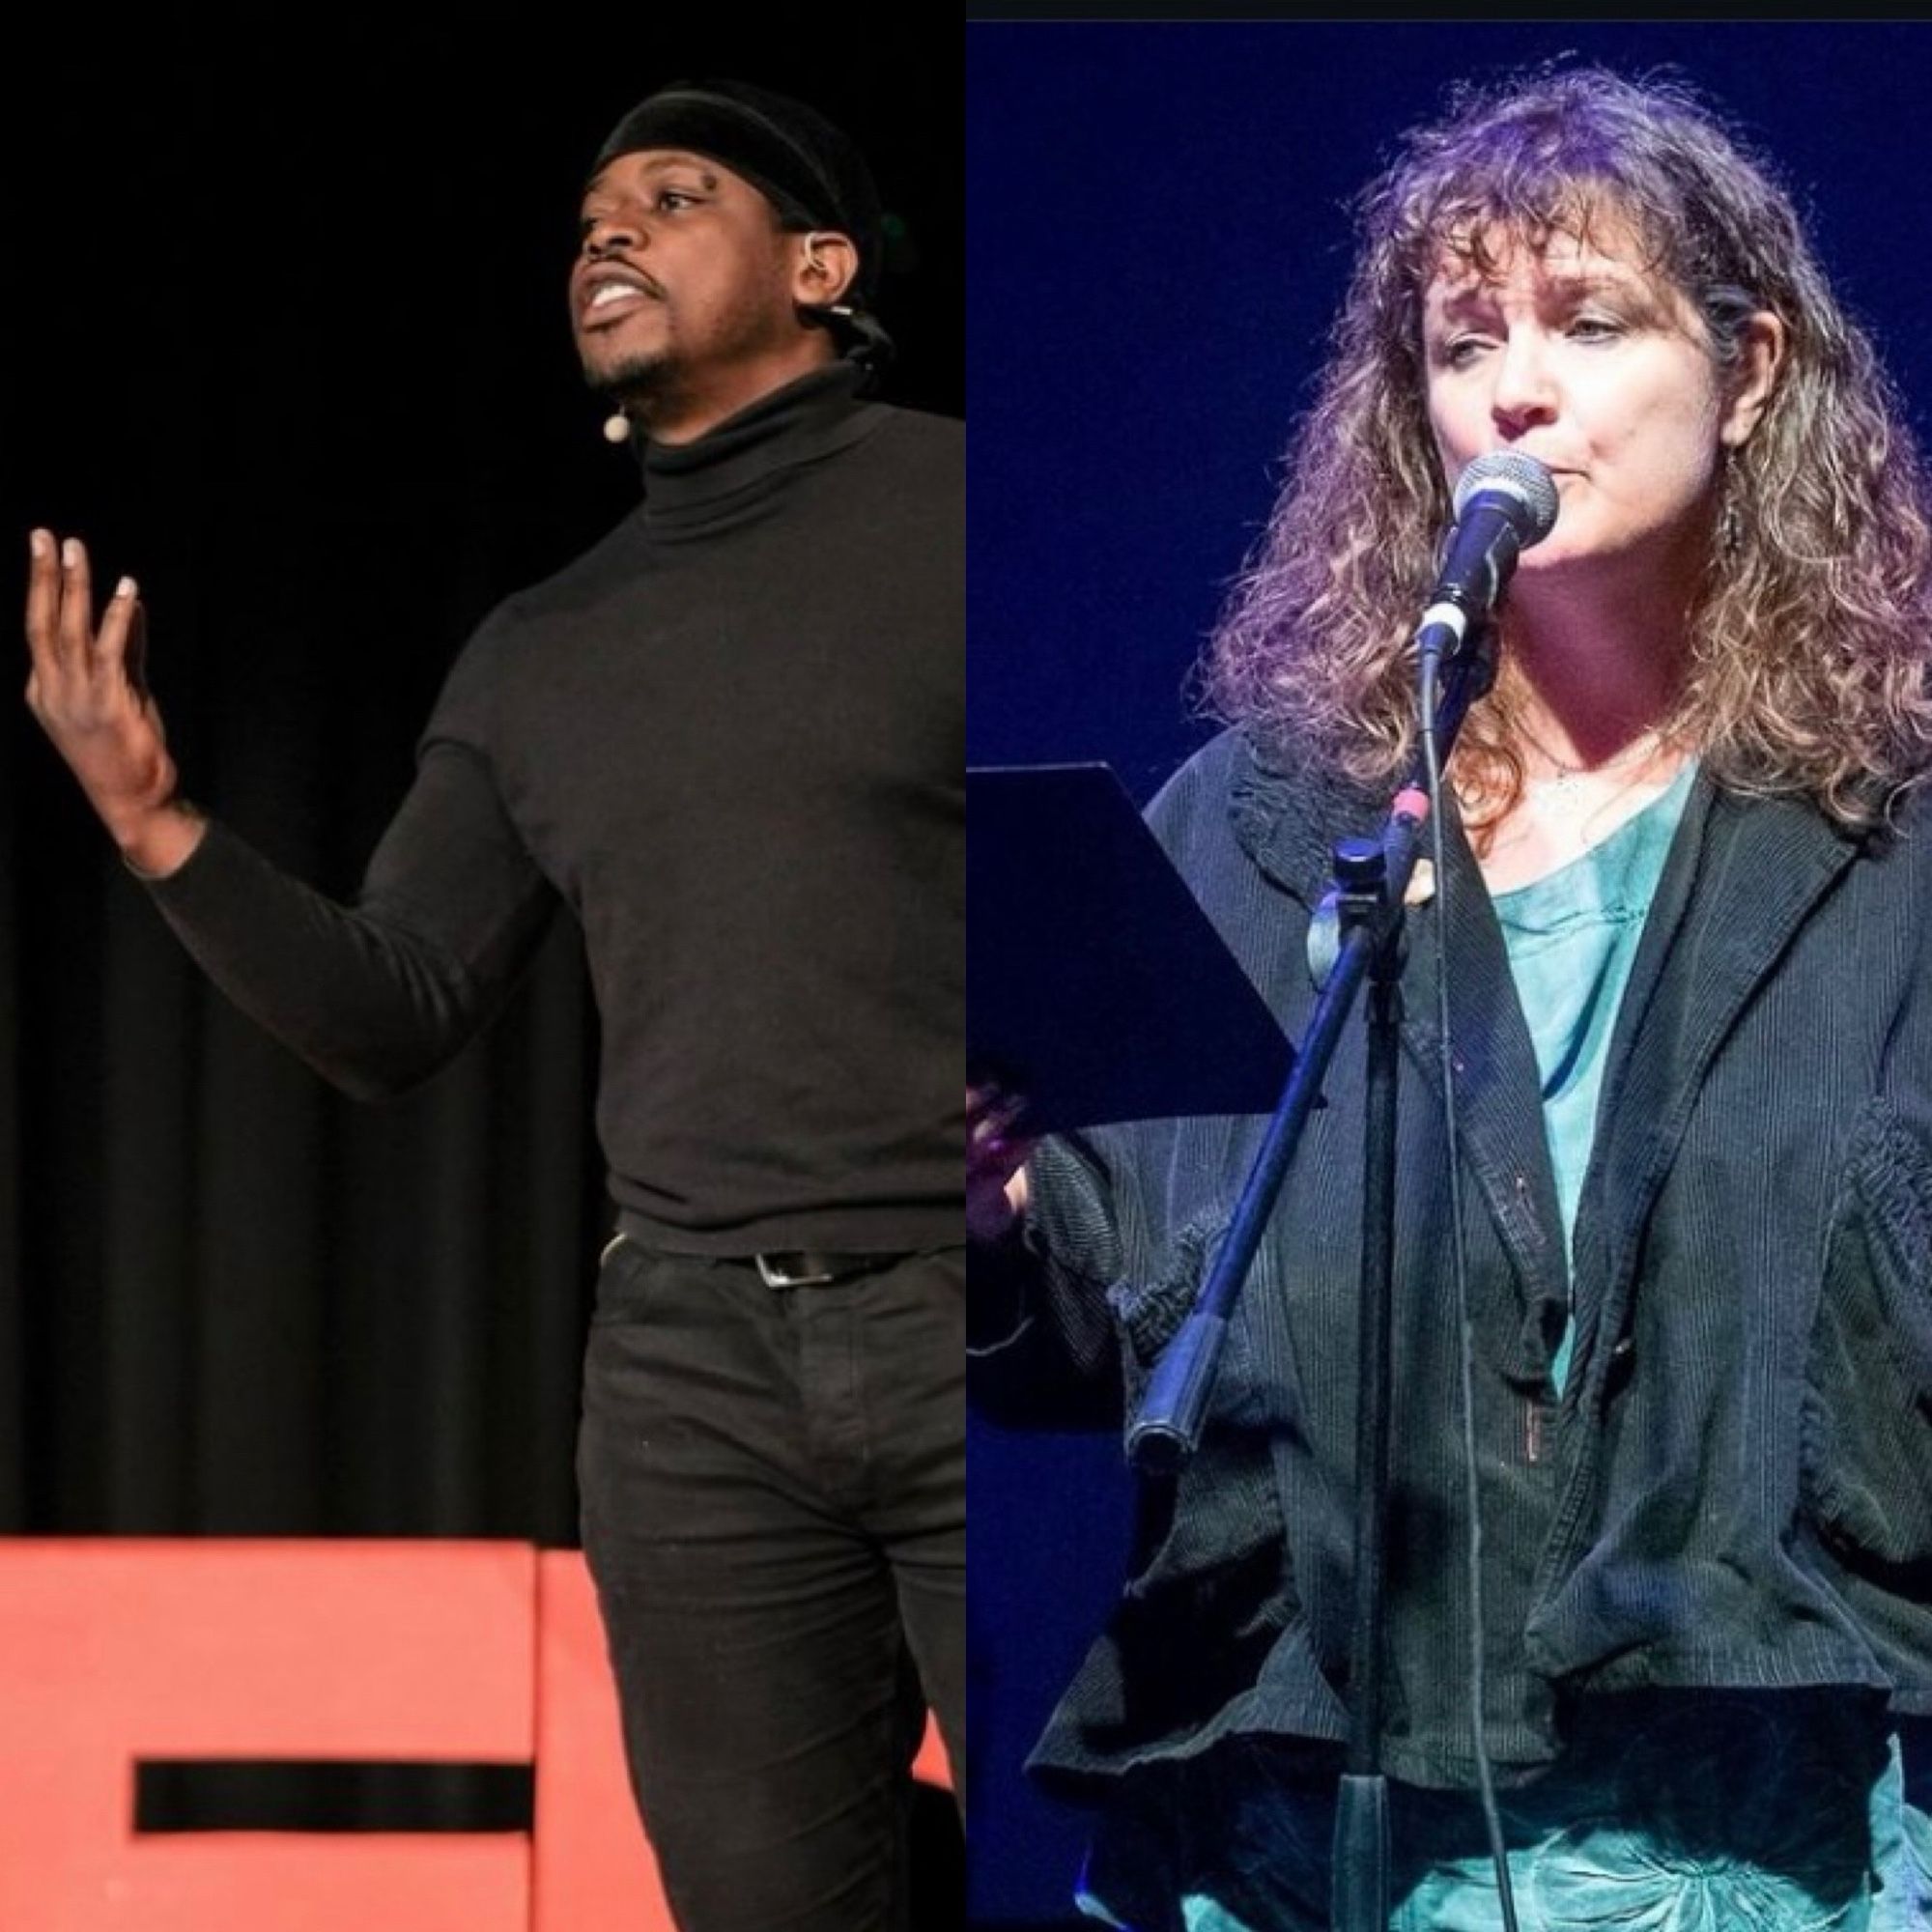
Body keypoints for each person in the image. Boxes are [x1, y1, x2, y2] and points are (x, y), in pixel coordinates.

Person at [969, 65, 1932, 1930]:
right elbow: (1101, 1297)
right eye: (1462, 339)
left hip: (1765, 1837)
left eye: (1590, 322)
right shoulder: (1263, 829)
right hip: (1279, 1827)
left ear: (1745, 374)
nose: (1517, 387)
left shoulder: (1889, 843)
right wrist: (988, 1220)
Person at [25, 77, 963, 1932]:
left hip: (992, 1319)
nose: (608, 233)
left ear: (821, 269)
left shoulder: (965, 512)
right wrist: (154, 821)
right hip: (696, 1382)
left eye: (676, 197)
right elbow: (397, 1008)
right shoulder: (545, 645)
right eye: (592, 213)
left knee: (1101, 1867)